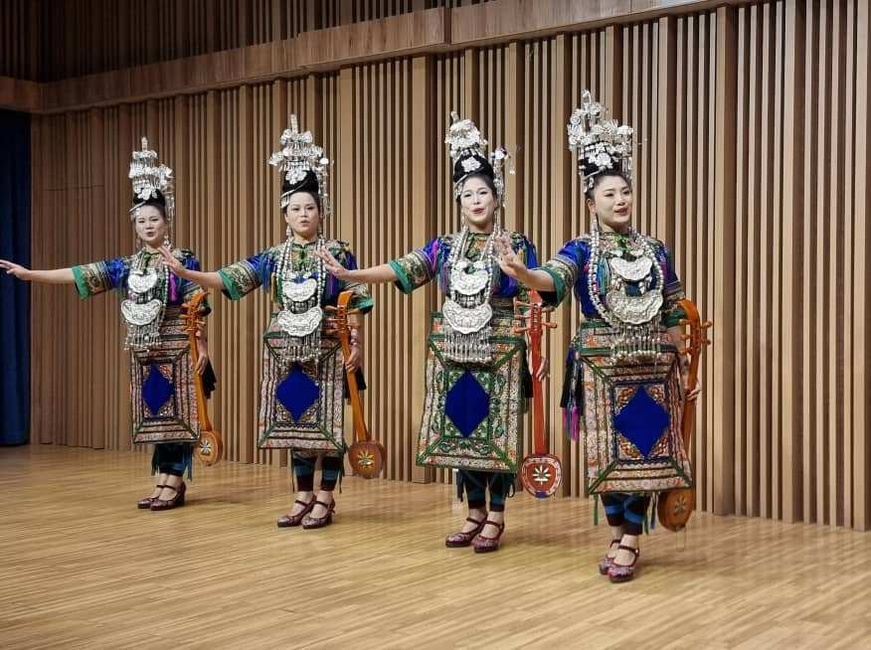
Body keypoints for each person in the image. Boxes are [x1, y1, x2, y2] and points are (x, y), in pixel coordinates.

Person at [318, 114, 542, 553]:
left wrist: (535, 347)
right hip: (453, 350)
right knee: (461, 430)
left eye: (483, 192)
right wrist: (352, 274)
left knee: (496, 434)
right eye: (468, 194)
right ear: (458, 201)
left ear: (497, 197)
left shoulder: (516, 243)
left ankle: (496, 516)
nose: (476, 200)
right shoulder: (444, 246)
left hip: (500, 350)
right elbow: (402, 267)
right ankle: (473, 512)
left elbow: (533, 297)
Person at [496, 91, 695, 581]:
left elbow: (673, 306)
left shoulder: (656, 250)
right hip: (599, 371)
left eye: (625, 191)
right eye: (609, 194)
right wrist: (522, 273)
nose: (620, 200)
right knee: (605, 456)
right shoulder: (580, 249)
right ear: (591, 203)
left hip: (653, 369)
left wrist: (684, 359)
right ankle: (617, 532)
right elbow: (553, 278)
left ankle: (631, 539)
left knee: (645, 451)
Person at [161, 116, 371, 529]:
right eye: (296, 208)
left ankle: (326, 497)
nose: (303, 214)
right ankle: (302, 495)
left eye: (310, 207)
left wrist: (359, 344)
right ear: (284, 214)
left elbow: (358, 298)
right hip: (285, 353)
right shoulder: (272, 257)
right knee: (295, 423)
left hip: (330, 350)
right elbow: (228, 277)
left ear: (321, 211)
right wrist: (187, 275)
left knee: (328, 427)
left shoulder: (339, 252)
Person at [0, 138, 214, 511]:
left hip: (179, 347)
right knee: (156, 412)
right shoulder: (126, 266)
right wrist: (31, 274)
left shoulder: (183, 259)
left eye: (154, 219)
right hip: (144, 352)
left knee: (180, 415)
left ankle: (176, 480)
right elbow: (80, 272)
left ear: (166, 222)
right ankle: (163, 478)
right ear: (135, 226)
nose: (148, 225)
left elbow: (198, 305)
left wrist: (203, 347)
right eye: (142, 220)